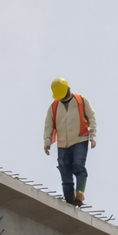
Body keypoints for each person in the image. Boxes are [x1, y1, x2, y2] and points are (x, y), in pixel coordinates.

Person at [42, 77, 97, 205]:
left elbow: (91, 118)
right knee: (65, 170)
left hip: (80, 139)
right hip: (63, 144)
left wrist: (93, 136)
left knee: (78, 166)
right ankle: (69, 199)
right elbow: (48, 124)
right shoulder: (54, 106)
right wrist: (47, 141)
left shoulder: (81, 101)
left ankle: (80, 193)